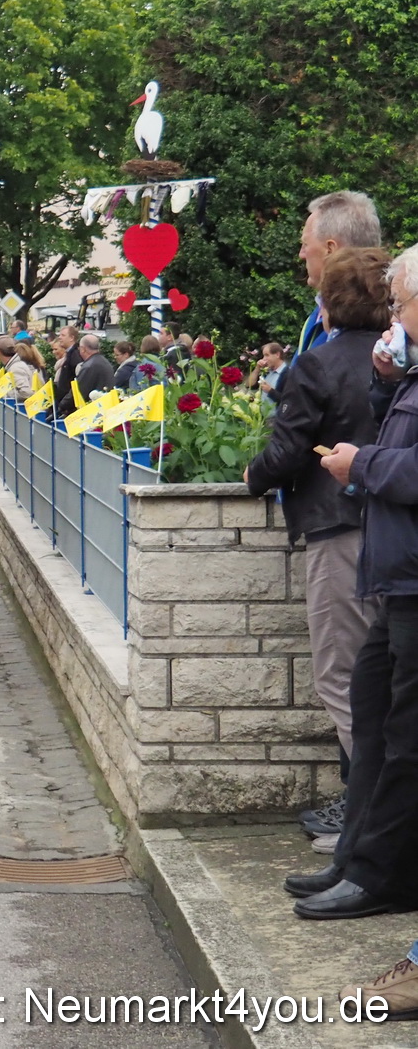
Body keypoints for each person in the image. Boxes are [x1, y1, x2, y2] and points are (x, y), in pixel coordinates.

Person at [247, 248, 389, 856]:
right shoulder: (396, 361)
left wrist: (253, 476)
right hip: (393, 527)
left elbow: (285, 452)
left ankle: (377, 823)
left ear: (327, 303)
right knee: (387, 677)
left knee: (345, 676)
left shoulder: (317, 365)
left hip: (339, 530)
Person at [293, 244, 418, 924]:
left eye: (401, 302)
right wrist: (382, 379)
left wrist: (362, 465)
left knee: (401, 736)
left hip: (411, 573)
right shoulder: (409, 365)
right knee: (372, 716)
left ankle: (377, 873)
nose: (393, 314)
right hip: (396, 572)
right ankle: (356, 856)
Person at [297, 191, 382, 354]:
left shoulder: (373, 326)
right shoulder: (319, 313)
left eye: (305, 244)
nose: (301, 254)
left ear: (330, 249)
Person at [50, 326, 82, 416]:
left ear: (71, 338)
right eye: (59, 335)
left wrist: (65, 403)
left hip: (69, 407)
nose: (59, 337)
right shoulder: (69, 354)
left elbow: (76, 380)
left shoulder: (75, 356)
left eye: (63, 335)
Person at [74, 334, 115, 404]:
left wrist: (62, 406)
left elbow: (80, 391)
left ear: (83, 349)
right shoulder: (105, 362)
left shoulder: (89, 366)